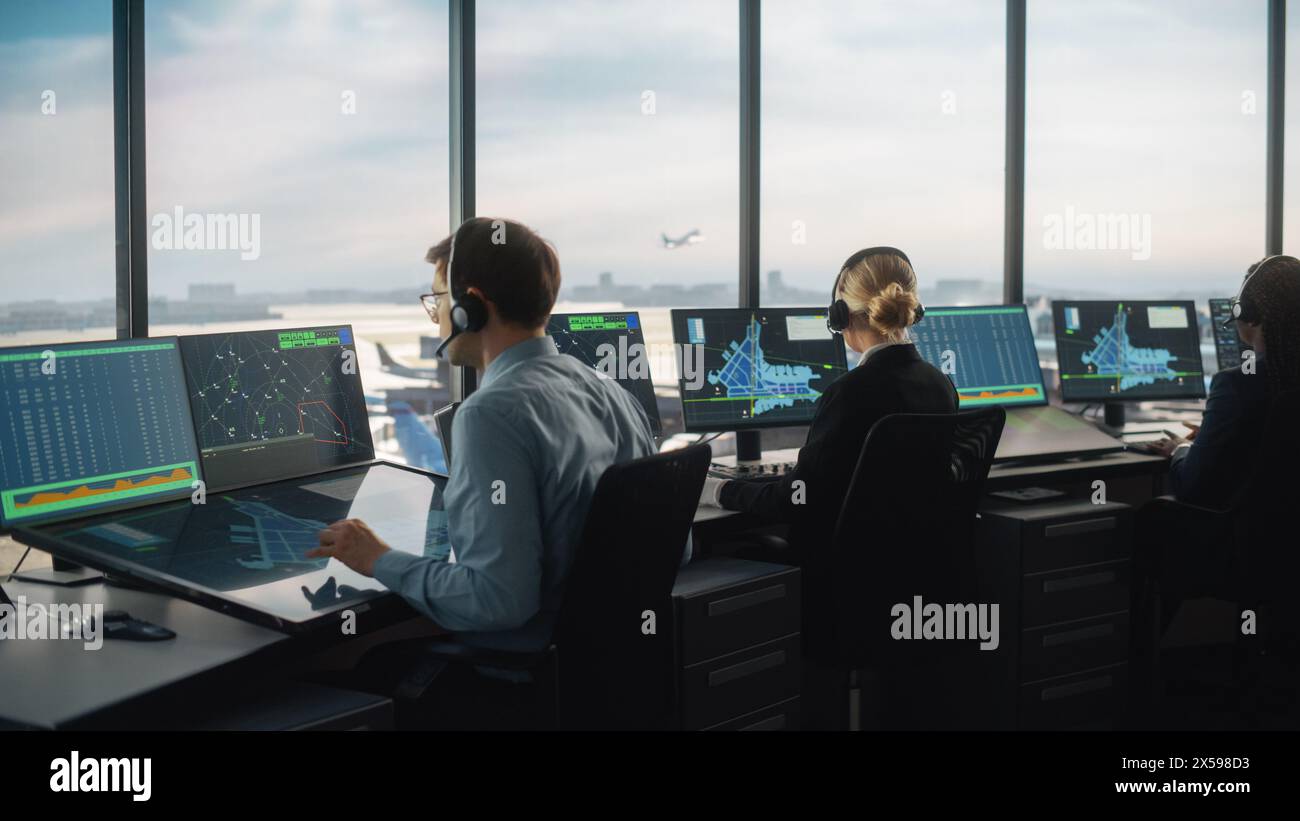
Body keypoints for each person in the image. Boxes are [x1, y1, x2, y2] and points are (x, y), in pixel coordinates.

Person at [307, 217, 666, 653]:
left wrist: (377, 559)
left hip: (525, 664)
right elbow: (672, 548)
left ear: (469, 308)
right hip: (608, 661)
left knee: (339, 657)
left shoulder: (489, 415)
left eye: (439, 299)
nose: (436, 315)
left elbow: (497, 602)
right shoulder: (612, 392)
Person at [698, 246, 958, 559]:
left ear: (840, 315)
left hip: (841, 573)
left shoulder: (849, 393)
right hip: (914, 568)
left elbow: (799, 497)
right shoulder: (942, 386)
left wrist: (715, 490)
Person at [1145, 254, 1300, 506]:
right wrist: (1214, 435)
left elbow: (1192, 486)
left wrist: (1180, 449)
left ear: (1247, 313)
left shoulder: (1236, 385)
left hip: (1242, 539)